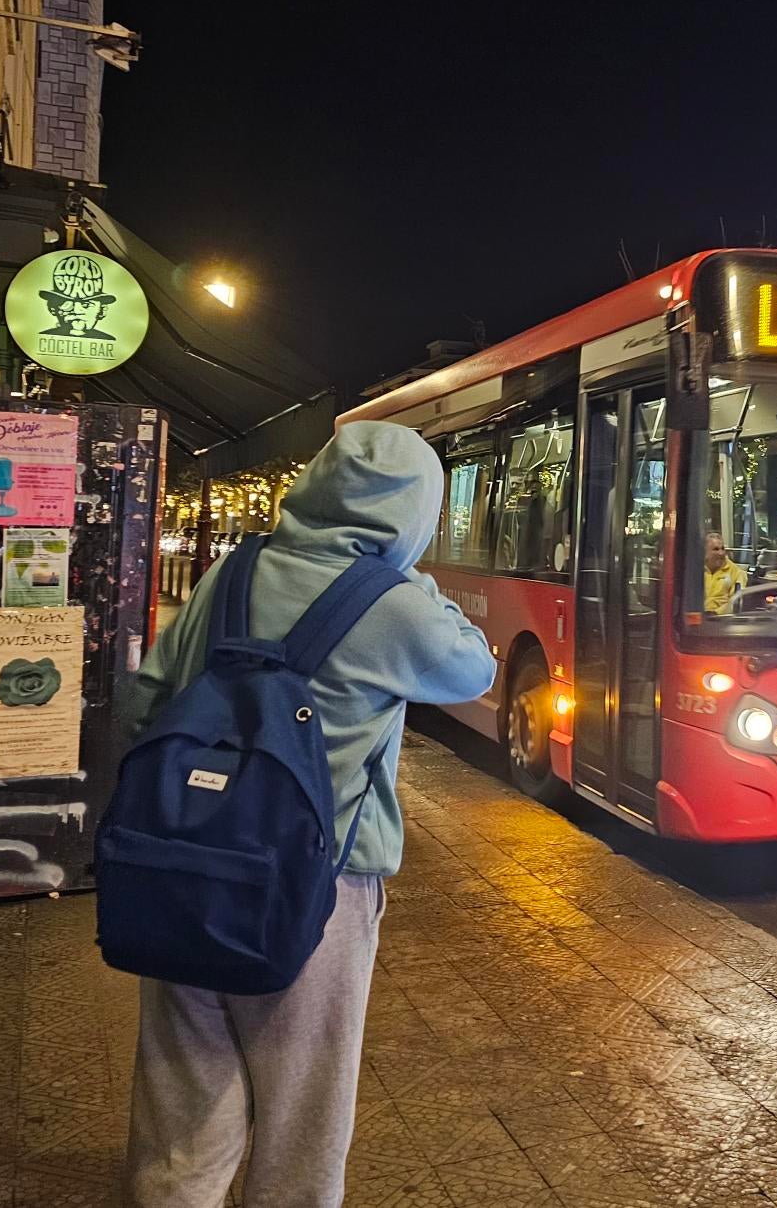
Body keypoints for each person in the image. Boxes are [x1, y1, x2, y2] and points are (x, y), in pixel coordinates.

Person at [117, 422, 495, 1208]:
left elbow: (143, 704)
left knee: (180, 1098)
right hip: (318, 888)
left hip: (181, 865)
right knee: (302, 1111)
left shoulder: (232, 572)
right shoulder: (395, 608)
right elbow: (473, 669)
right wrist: (410, 576)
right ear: (417, 514)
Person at [704, 530, 749, 614]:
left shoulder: (736, 572)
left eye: (723, 548)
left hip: (722, 620)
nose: (721, 553)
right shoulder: (695, 570)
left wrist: (715, 613)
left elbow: (735, 603)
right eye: (716, 549)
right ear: (705, 551)